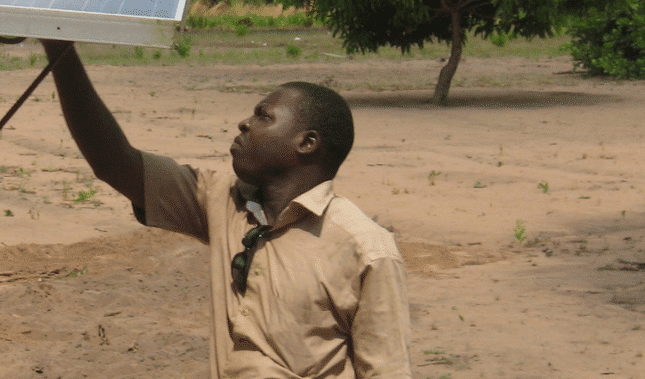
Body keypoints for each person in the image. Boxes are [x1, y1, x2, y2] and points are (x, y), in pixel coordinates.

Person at [39, 39, 412, 379]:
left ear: (306, 143)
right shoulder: (220, 200)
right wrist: (60, 51)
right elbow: (113, 162)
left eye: (264, 116)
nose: (244, 123)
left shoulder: (366, 249)